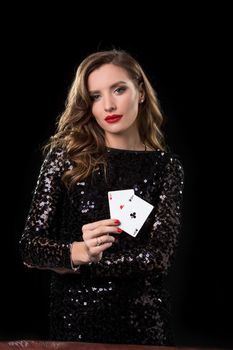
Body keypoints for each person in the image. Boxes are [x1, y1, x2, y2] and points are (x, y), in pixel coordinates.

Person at [19, 49, 184, 345]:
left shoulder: (166, 167)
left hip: (145, 325)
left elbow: (157, 258)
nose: (108, 104)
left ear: (141, 92)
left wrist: (76, 261)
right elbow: (30, 246)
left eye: (119, 89)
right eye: (95, 96)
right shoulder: (65, 157)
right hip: (75, 324)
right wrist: (77, 251)